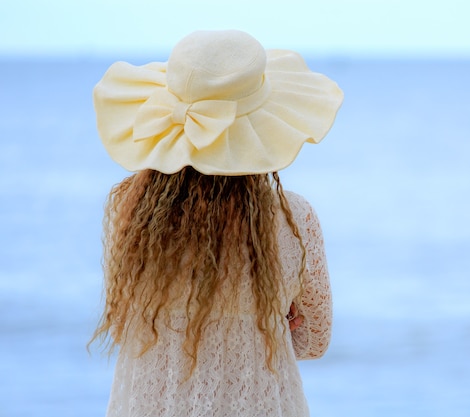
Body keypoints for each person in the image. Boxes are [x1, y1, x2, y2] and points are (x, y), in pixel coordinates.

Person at [89, 30, 343, 417]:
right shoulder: (293, 219)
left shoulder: (133, 208)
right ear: (262, 130)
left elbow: (125, 327)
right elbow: (313, 339)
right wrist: (271, 323)